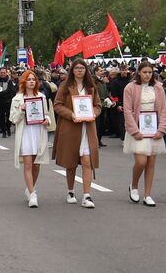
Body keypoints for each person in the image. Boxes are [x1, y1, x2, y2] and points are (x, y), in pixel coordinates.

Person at [54, 59, 102, 209]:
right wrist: (71, 114)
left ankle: (87, 195)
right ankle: (70, 191)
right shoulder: (65, 86)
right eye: (77, 68)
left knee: (87, 161)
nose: (80, 70)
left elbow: (98, 105)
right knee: (71, 163)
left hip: (87, 128)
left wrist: (94, 113)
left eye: (82, 68)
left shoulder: (91, 88)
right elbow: (57, 105)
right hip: (71, 128)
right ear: (72, 70)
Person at [123, 60, 166, 207]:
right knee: (141, 161)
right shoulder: (130, 87)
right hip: (138, 127)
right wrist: (134, 130)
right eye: (144, 72)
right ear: (139, 73)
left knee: (151, 163)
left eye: (150, 72)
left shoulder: (159, 88)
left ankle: (148, 194)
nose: (147, 75)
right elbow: (128, 110)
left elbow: (163, 109)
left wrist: (161, 129)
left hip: (153, 128)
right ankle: (134, 185)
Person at [9, 69, 55, 208]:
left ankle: (30, 188)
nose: (31, 81)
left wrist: (47, 120)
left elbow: (46, 114)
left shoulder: (41, 96)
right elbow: (13, 119)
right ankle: (33, 193)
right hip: (25, 133)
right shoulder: (17, 99)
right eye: (28, 79)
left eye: (33, 79)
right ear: (23, 81)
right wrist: (22, 110)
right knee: (28, 164)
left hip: (38, 132)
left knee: (36, 164)